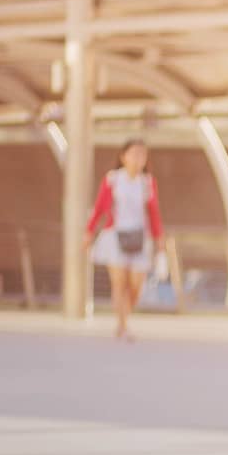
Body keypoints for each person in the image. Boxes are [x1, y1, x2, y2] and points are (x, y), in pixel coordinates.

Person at [84, 138, 165, 341]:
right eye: (134, 153)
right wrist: (89, 232)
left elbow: (154, 213)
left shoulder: (148, 182)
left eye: (142, 155)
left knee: (136, 285)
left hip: (140, 236)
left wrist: (159, 239)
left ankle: (124, 317)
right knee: (119, 283)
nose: (139, 158)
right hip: (115, 235)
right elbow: (100, 208)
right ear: (123, 156)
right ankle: (122, 325)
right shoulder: (112, 179)